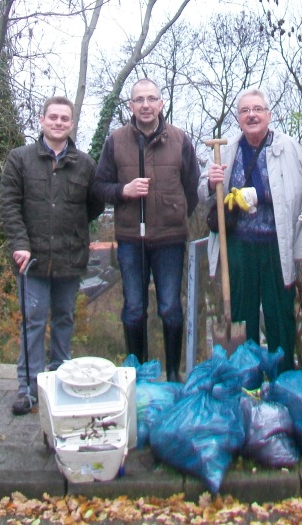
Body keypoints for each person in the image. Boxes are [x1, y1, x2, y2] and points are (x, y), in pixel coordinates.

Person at [0, 95, 104, 415]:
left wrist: (71, 231)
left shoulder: (85, 164)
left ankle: (60, 382)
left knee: (64, 319)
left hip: (70, 259)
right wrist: (20, 243)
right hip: (30, 259)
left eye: (64, 118)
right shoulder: (19, 159)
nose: (58, 123)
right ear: (42, 120)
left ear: (71, 124)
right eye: (53, 117)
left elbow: (95, 205)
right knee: (33, 321)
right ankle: (27, 388)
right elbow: (9, 205)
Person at [92, 79, 200, 382]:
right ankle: (137, 376)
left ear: (161, 104)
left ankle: (174, 375)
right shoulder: (116, 140)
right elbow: (99, 186)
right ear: (131, 106)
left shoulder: (180, 139)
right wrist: (123, 190)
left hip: (170, 240)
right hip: (130, 240)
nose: (146, 105)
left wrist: (176, 214)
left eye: (152, 99)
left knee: (170, 309)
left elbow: (192, 188)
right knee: (134, 310)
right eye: (139, 100)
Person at [198, 88, 302, 371]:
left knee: (279, 314)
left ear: (269, 115)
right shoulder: (225, 150)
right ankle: (244, 377)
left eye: (258, 109)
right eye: (245, 111)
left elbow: (300, 192)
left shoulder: (288, 148)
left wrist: (259, 195)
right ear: (238, 118)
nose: (252, 115)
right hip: (239, 246)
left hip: (276, 245)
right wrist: (211, 183)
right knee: (241, 313)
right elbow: (202, 192)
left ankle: (283, 377)